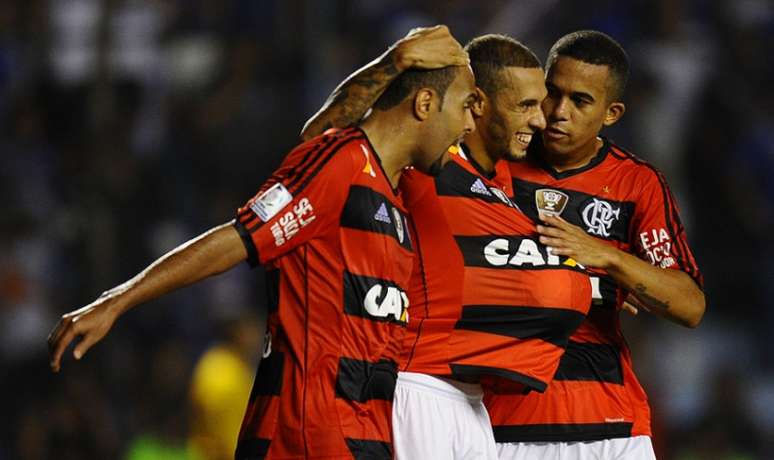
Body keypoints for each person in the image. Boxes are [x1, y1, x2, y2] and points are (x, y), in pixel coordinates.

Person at [47, 26, 476, 459]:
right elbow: (236, 239)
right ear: (425, 103)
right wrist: (116, 301)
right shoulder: (340, 164)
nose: (470, 123)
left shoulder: (394, 193)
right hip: (303, 438)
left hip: (364, 438)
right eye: (464, 108)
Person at [303, 32, 592, 460]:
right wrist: (394, 62)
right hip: (420, 386)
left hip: (472, 404)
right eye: (526, 106)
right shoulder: (428, 161)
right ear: (477, 103)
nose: (540, 121)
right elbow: (319, 141)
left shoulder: (504, 184)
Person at [486, 30, 706, 460]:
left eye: (581, 101)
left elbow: (689, 305)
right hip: (506, 423)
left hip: (611, 425)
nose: (558, 112)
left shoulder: (637, 183)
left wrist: (606, 256)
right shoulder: (498, 163)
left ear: (612, 113)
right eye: (552, 92)